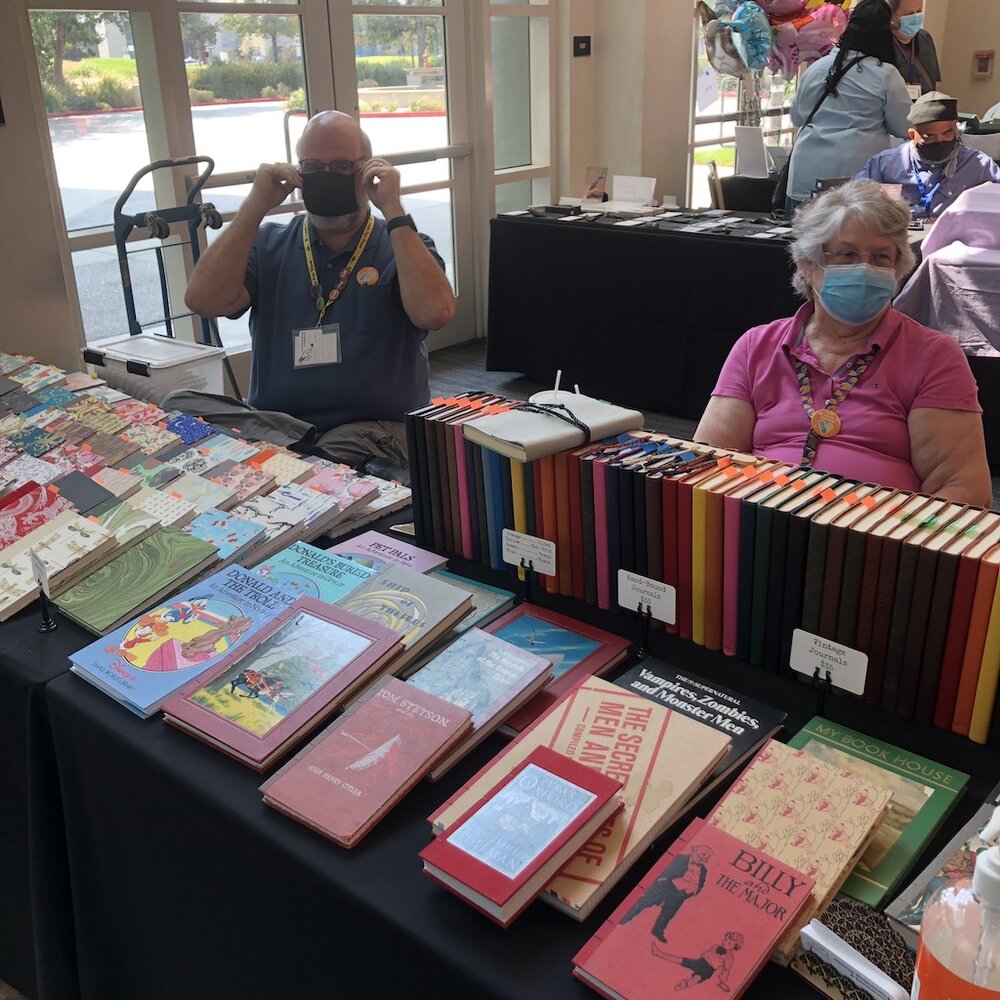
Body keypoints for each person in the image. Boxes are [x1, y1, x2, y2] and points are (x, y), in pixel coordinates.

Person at [177, 110, 456, 481]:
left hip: (373, 430)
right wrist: (255, 206)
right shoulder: (269, 244)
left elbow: (435, 312)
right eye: (313, 166)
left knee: (327, 457)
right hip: (278, 424)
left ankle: (290, 465)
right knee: (177, 406)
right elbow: (202, 300)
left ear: (367, 170)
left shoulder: (403, 244)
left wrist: (392, 207)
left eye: (341, 166)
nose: (326, 176)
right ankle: (292, 460)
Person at [695, 181, 991, 506]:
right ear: (808, 266)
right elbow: (710, 460)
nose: (864, 268)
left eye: (881, 257)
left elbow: (963, 489)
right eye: (847, 254)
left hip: (878, 540)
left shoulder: (933, 356)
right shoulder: (757, 346)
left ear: (898, 270)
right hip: (762, 530)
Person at [785, 0, 911, 213]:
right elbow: (903, 126)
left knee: (800, 242)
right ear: (884, 34)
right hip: (855, 178)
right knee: (848, 243)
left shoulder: (817, 68)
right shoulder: (886, 74)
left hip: (806, 172)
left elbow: (797, 117)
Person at [856, 91, 1000, 218]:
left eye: (947, 133)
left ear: (956, 130)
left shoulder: (978, 166)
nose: (940, 141)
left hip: (954, 243)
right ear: (912, 135)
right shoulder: (884, 165)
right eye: (928, 136)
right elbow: (857, 203)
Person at [619, 844, 712, 942]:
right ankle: (626, 917)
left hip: (680, 895)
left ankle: (658, 930)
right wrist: (669, 881)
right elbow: (665, 871)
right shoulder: (680, 858)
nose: (700, 860)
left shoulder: (704, 870)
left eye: (704, 859)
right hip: (665, 886)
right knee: (645, 902)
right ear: (694, 851)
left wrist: (690, 892)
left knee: (668, 913)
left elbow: (701, 884)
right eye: (700, 856)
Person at [889, 0, 941, 97]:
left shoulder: (925, 39)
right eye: (910, 14)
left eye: (919, 11)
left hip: (924, 108)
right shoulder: (881, 43)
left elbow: (933, 85)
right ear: (892, 15)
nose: (916, 18)